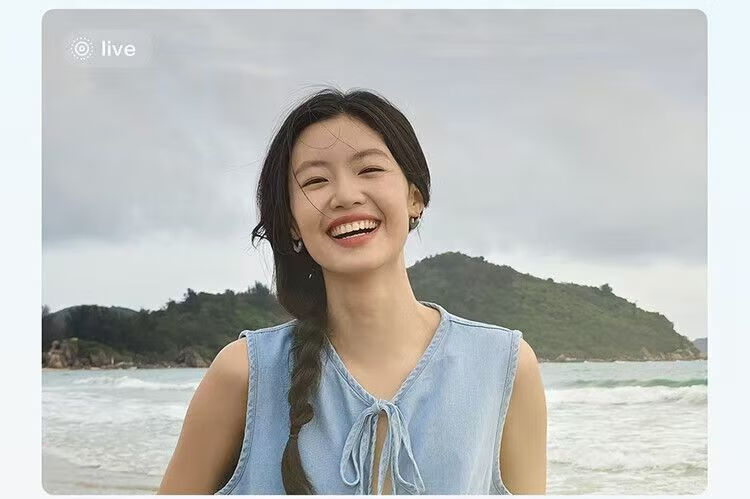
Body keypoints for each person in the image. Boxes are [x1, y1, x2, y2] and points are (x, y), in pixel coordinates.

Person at [157, 87, 547, 495]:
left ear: (415, 198)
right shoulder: (244, 373)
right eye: (315, 180)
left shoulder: (505, 366)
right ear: (291, 222)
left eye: (370, 169)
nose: (345, 196)